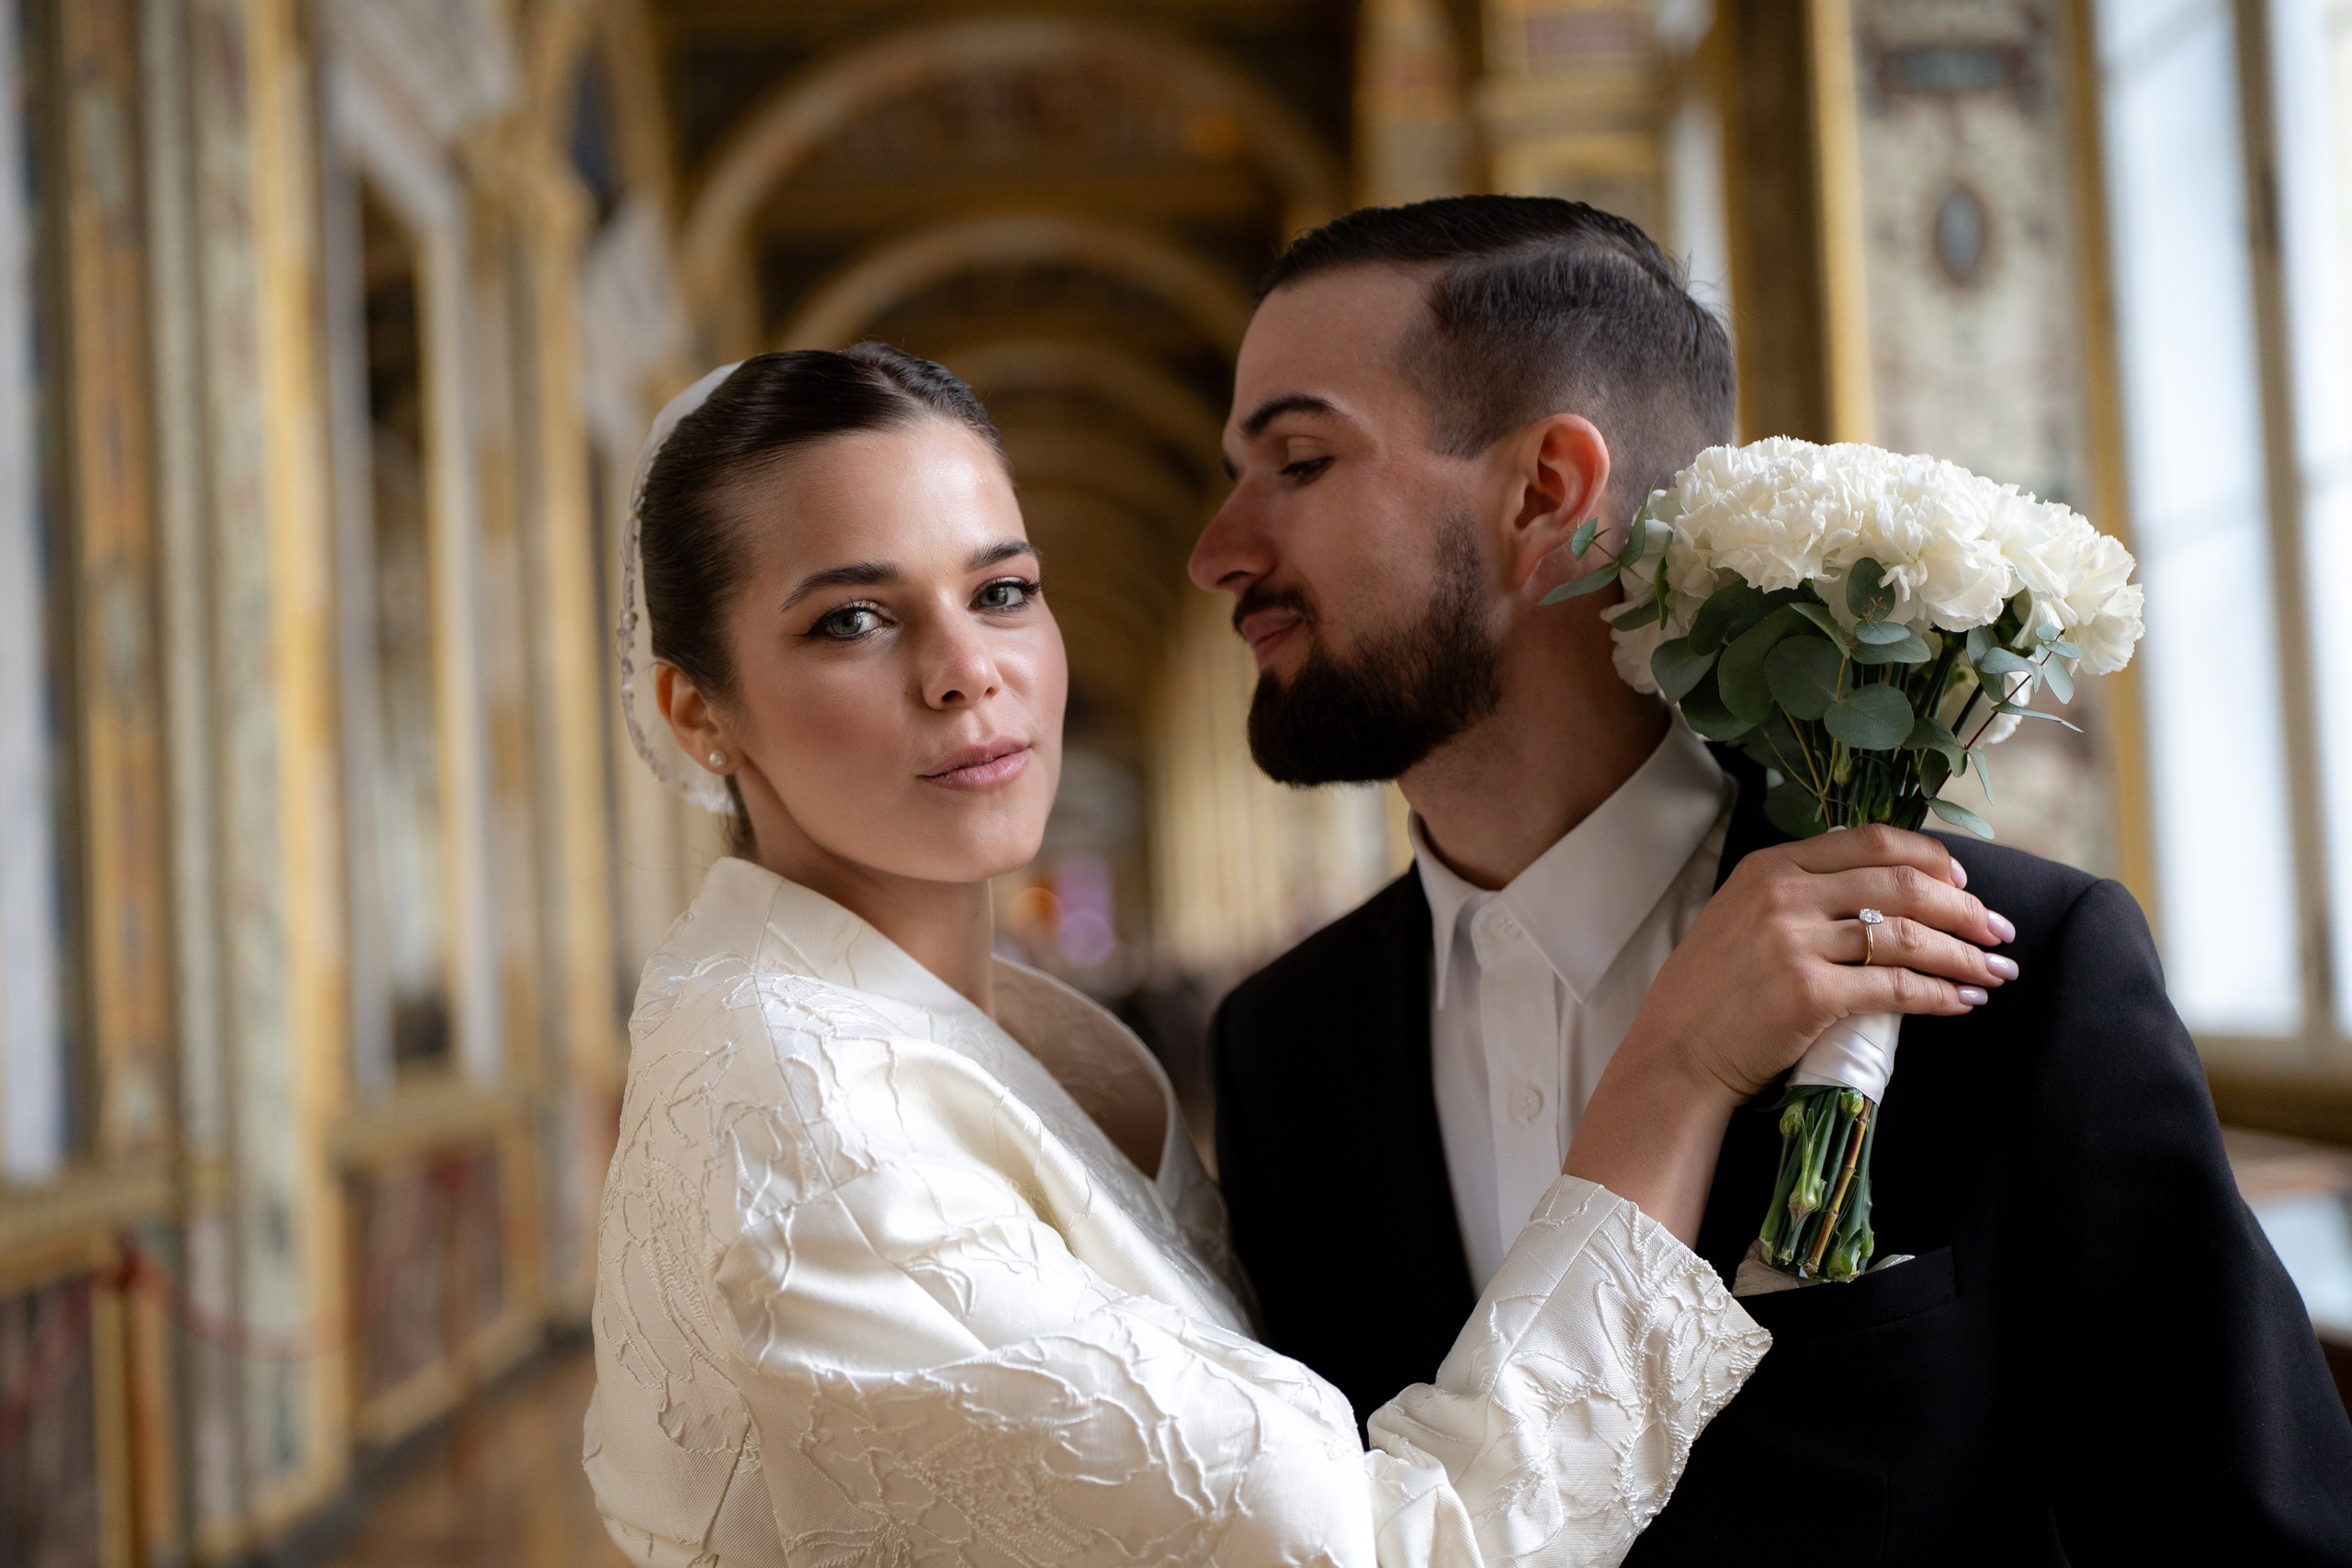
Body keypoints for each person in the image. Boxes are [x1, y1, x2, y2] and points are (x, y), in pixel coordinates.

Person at [579, 344, 2009, 1566]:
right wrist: (1680, 1070)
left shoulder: (994, 1026)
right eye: (854, 618)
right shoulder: (802, 1116)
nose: (967, 667)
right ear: (700, 714)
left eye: (1003, 589)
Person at [1193, 193, 2352, 1565]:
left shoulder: (2001, 967)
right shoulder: (1282, 1051)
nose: (1221, 549)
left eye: (1301, 462)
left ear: (1547, 494)